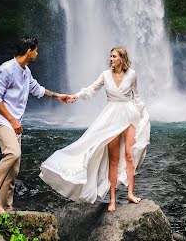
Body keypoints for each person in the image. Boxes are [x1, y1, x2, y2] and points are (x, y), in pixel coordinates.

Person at [40, 46, 150, 212]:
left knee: (129, 155)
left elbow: (137, 96)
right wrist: (76, 96)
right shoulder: (105, 75)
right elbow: (92, 89)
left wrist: (143, 116)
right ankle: (112, 199)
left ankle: (130, 194)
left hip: (130, 115)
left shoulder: (132, 74)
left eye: (114, 56)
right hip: (112, 117)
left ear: (122, 58)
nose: (111, 59)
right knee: (113, 160)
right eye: (110, 56)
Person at [0, 36, 70, 214]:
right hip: (2, 121)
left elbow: (38, 90)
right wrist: (13, 121)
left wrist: (58, 96)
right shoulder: (6, 70)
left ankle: (5, 210)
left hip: (14, 123)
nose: (37, 54)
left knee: (13, 170)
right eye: (36, 50)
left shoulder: (26, 71)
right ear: (29, 51)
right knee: (13, 153)